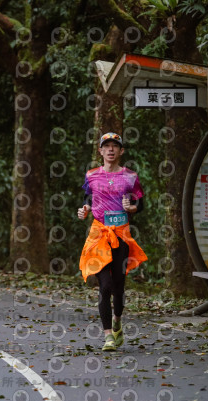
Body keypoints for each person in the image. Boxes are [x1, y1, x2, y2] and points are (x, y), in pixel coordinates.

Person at [78, 132, 148, 351]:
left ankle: (117, 320)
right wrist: (85, 209)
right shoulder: (91, 175)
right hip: (99, 235)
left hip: (121, 234)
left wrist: (132, 208)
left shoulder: (130, 176)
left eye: (115, 146)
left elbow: (140, 203)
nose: (110, 149)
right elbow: (87, 198)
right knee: (105, 285)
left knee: (118, 286)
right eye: (106, 146)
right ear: (100, 151)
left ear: (121, 151)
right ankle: (108, 336)